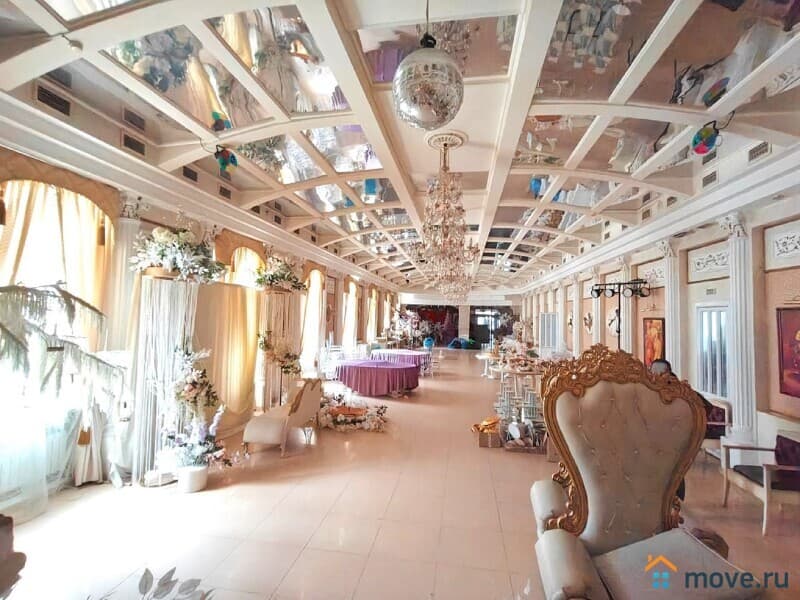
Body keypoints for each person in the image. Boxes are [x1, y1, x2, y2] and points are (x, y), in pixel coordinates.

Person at [649, 359, 687, 502]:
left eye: (661, 373)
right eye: (654, 372)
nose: (657, 376)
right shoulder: (646, 390)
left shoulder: (680, 391)